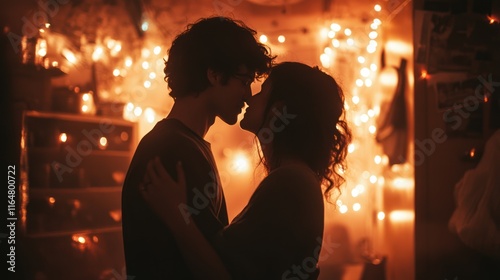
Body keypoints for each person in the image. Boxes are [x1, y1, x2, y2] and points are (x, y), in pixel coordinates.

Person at [140, 62, 352, 279]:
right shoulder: (295, 178)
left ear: (278, 111)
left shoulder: (290, 181)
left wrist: (177, 218)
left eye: (262, 91)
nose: (250, 97)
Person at [121, 16, 275, 279]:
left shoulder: (183, 144)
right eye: (244, 80)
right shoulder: (174, 150)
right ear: (214, 74)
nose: (248, 94)